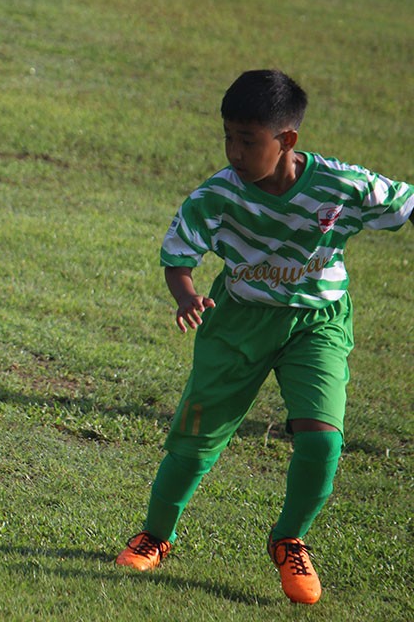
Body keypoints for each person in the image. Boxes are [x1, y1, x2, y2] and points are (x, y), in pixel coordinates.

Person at [114, 70, 412, 604]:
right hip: (236, 323)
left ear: (287, 140)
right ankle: (155, 537)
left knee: (323, 441)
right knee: (194, 443)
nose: (233, 151)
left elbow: (403, 203)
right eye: (228, 136)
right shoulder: (218, 195)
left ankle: (289, 539)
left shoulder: (343, 186)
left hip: (317, 324)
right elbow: (179, 254)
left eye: (247, 140)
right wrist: (186, 296)